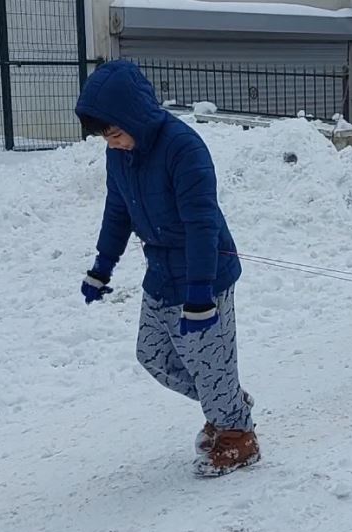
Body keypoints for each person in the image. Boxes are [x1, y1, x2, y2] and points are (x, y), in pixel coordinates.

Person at [75, 60, 258, 477]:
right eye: (106, 136)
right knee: (152, 354)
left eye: (116, 133)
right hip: (160, 271)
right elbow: (117, 210)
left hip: (204, 273)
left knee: (208, 361)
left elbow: (201, 223)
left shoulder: (184, 148)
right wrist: (102, 267)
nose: (113, 143)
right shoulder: (119, 155)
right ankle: (227, 403)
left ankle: (238, 437)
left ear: (133, 118)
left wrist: (199, 295)